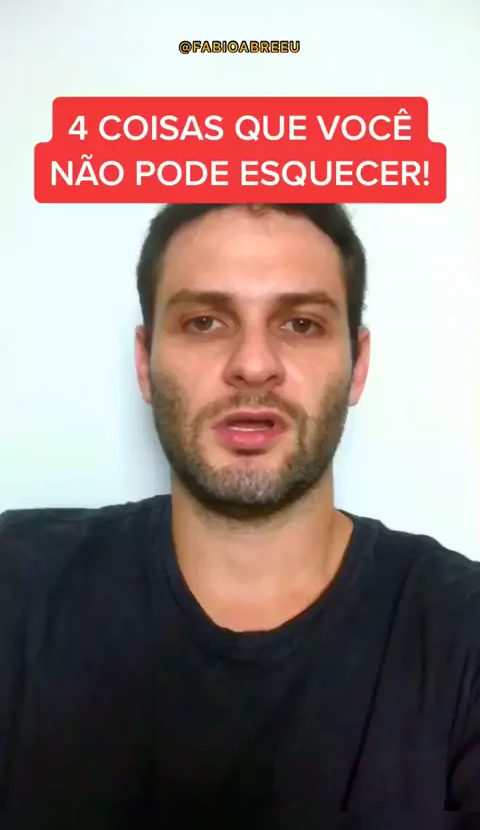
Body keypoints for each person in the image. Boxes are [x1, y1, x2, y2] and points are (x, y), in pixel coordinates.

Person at [0, 203, 478, 829]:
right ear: (144, 362)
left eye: (301, 324)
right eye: (204, 322)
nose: (253, 364)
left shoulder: (461, 635)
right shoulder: (17, 588)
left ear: (357, 365)